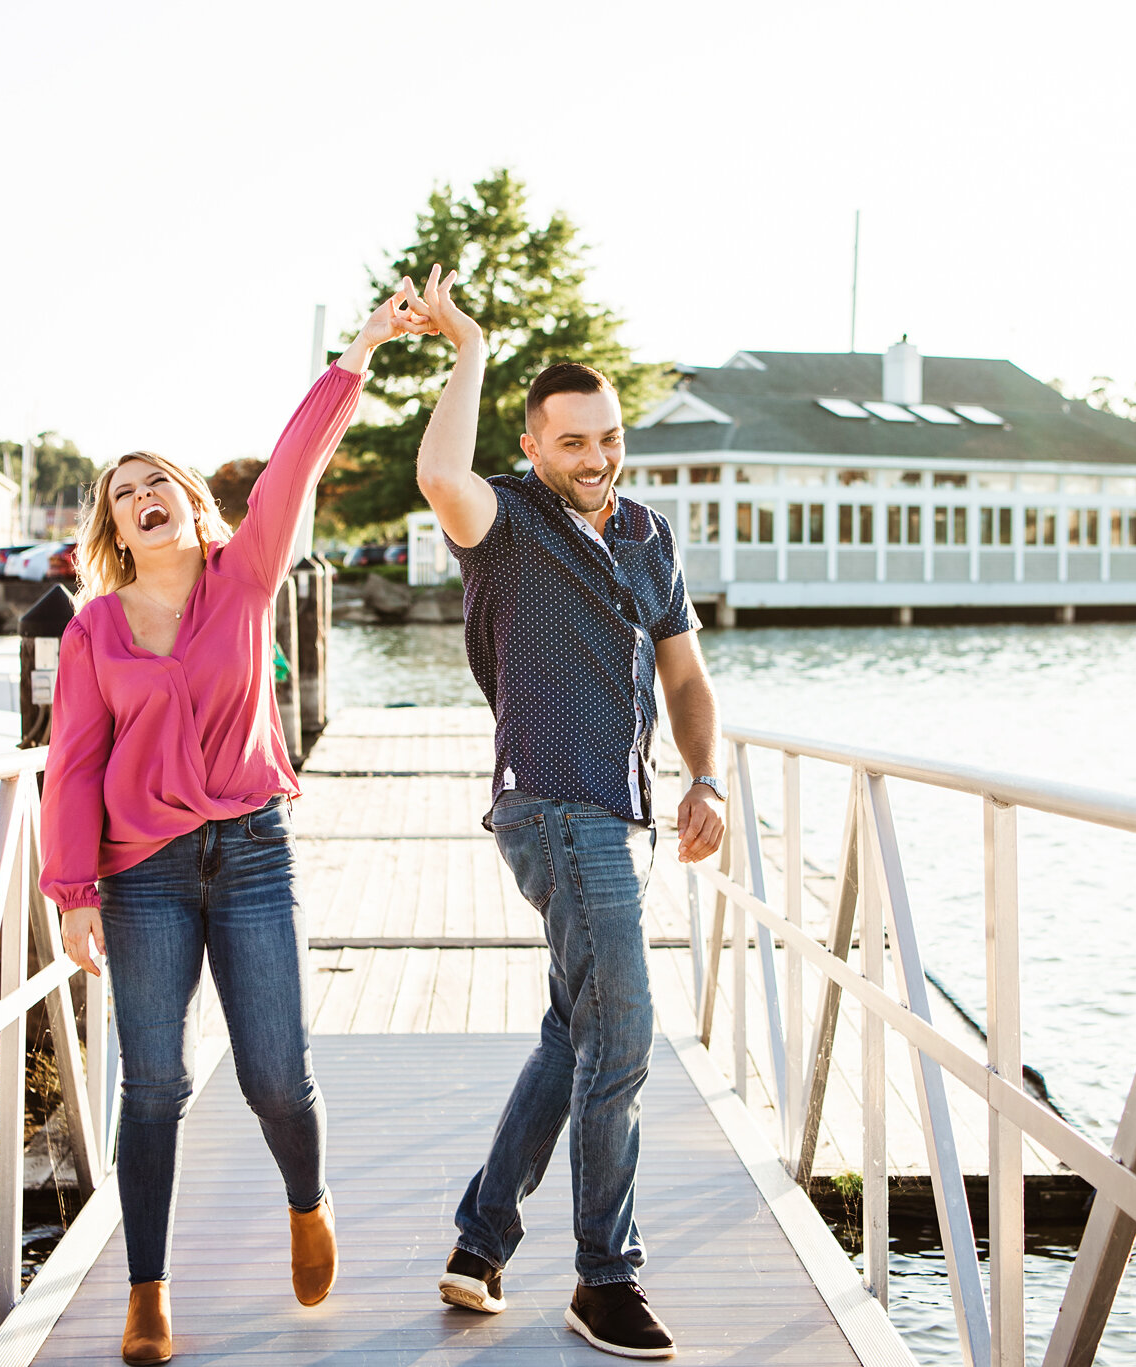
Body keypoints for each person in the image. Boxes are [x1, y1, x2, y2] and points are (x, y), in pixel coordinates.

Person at [41, 280, 432, 1365]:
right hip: (143, 875)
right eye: (124, 493)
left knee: (273, 1076)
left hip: (253, 854)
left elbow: (295, 460)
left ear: (189, 500)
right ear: (113, 529)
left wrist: (357, 349)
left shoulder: (244, 575)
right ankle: (146, 1291)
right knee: (153, 1082)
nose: (142, 495)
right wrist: (69, 892)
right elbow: (69, 767)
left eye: (156, 478)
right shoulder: (95, 633)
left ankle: (308, 1198)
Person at [408, 266, 727, 1359]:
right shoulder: (500, 517)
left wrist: (705, 776)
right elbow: (437, 468)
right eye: (573, 442)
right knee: (622, 1036)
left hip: (626, 810)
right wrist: (467, 347)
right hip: (551, 805)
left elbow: (684, 675)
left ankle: (479, 1242)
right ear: (535, 447)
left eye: (608, 436)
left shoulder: (646, 531)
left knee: (573, 1028)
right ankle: (605, 1277)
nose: (596, 459)